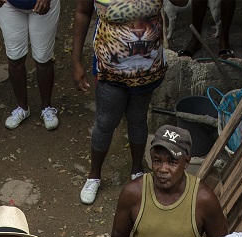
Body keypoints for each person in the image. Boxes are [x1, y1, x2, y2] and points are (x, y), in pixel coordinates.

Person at [71, 0, 188, 205]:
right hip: (110, 69)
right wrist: (76, 61)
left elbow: (182, 2)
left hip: (148, 69)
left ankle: (137, 173)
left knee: (138, 120)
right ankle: (94, 176)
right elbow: (82, 12)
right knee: (106, 122)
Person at [0, 0, 60, 130]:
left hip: (44, 4)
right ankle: (22, 108)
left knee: (43, 57)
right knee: (15, 57)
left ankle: (47, 108)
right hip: (9, 5)